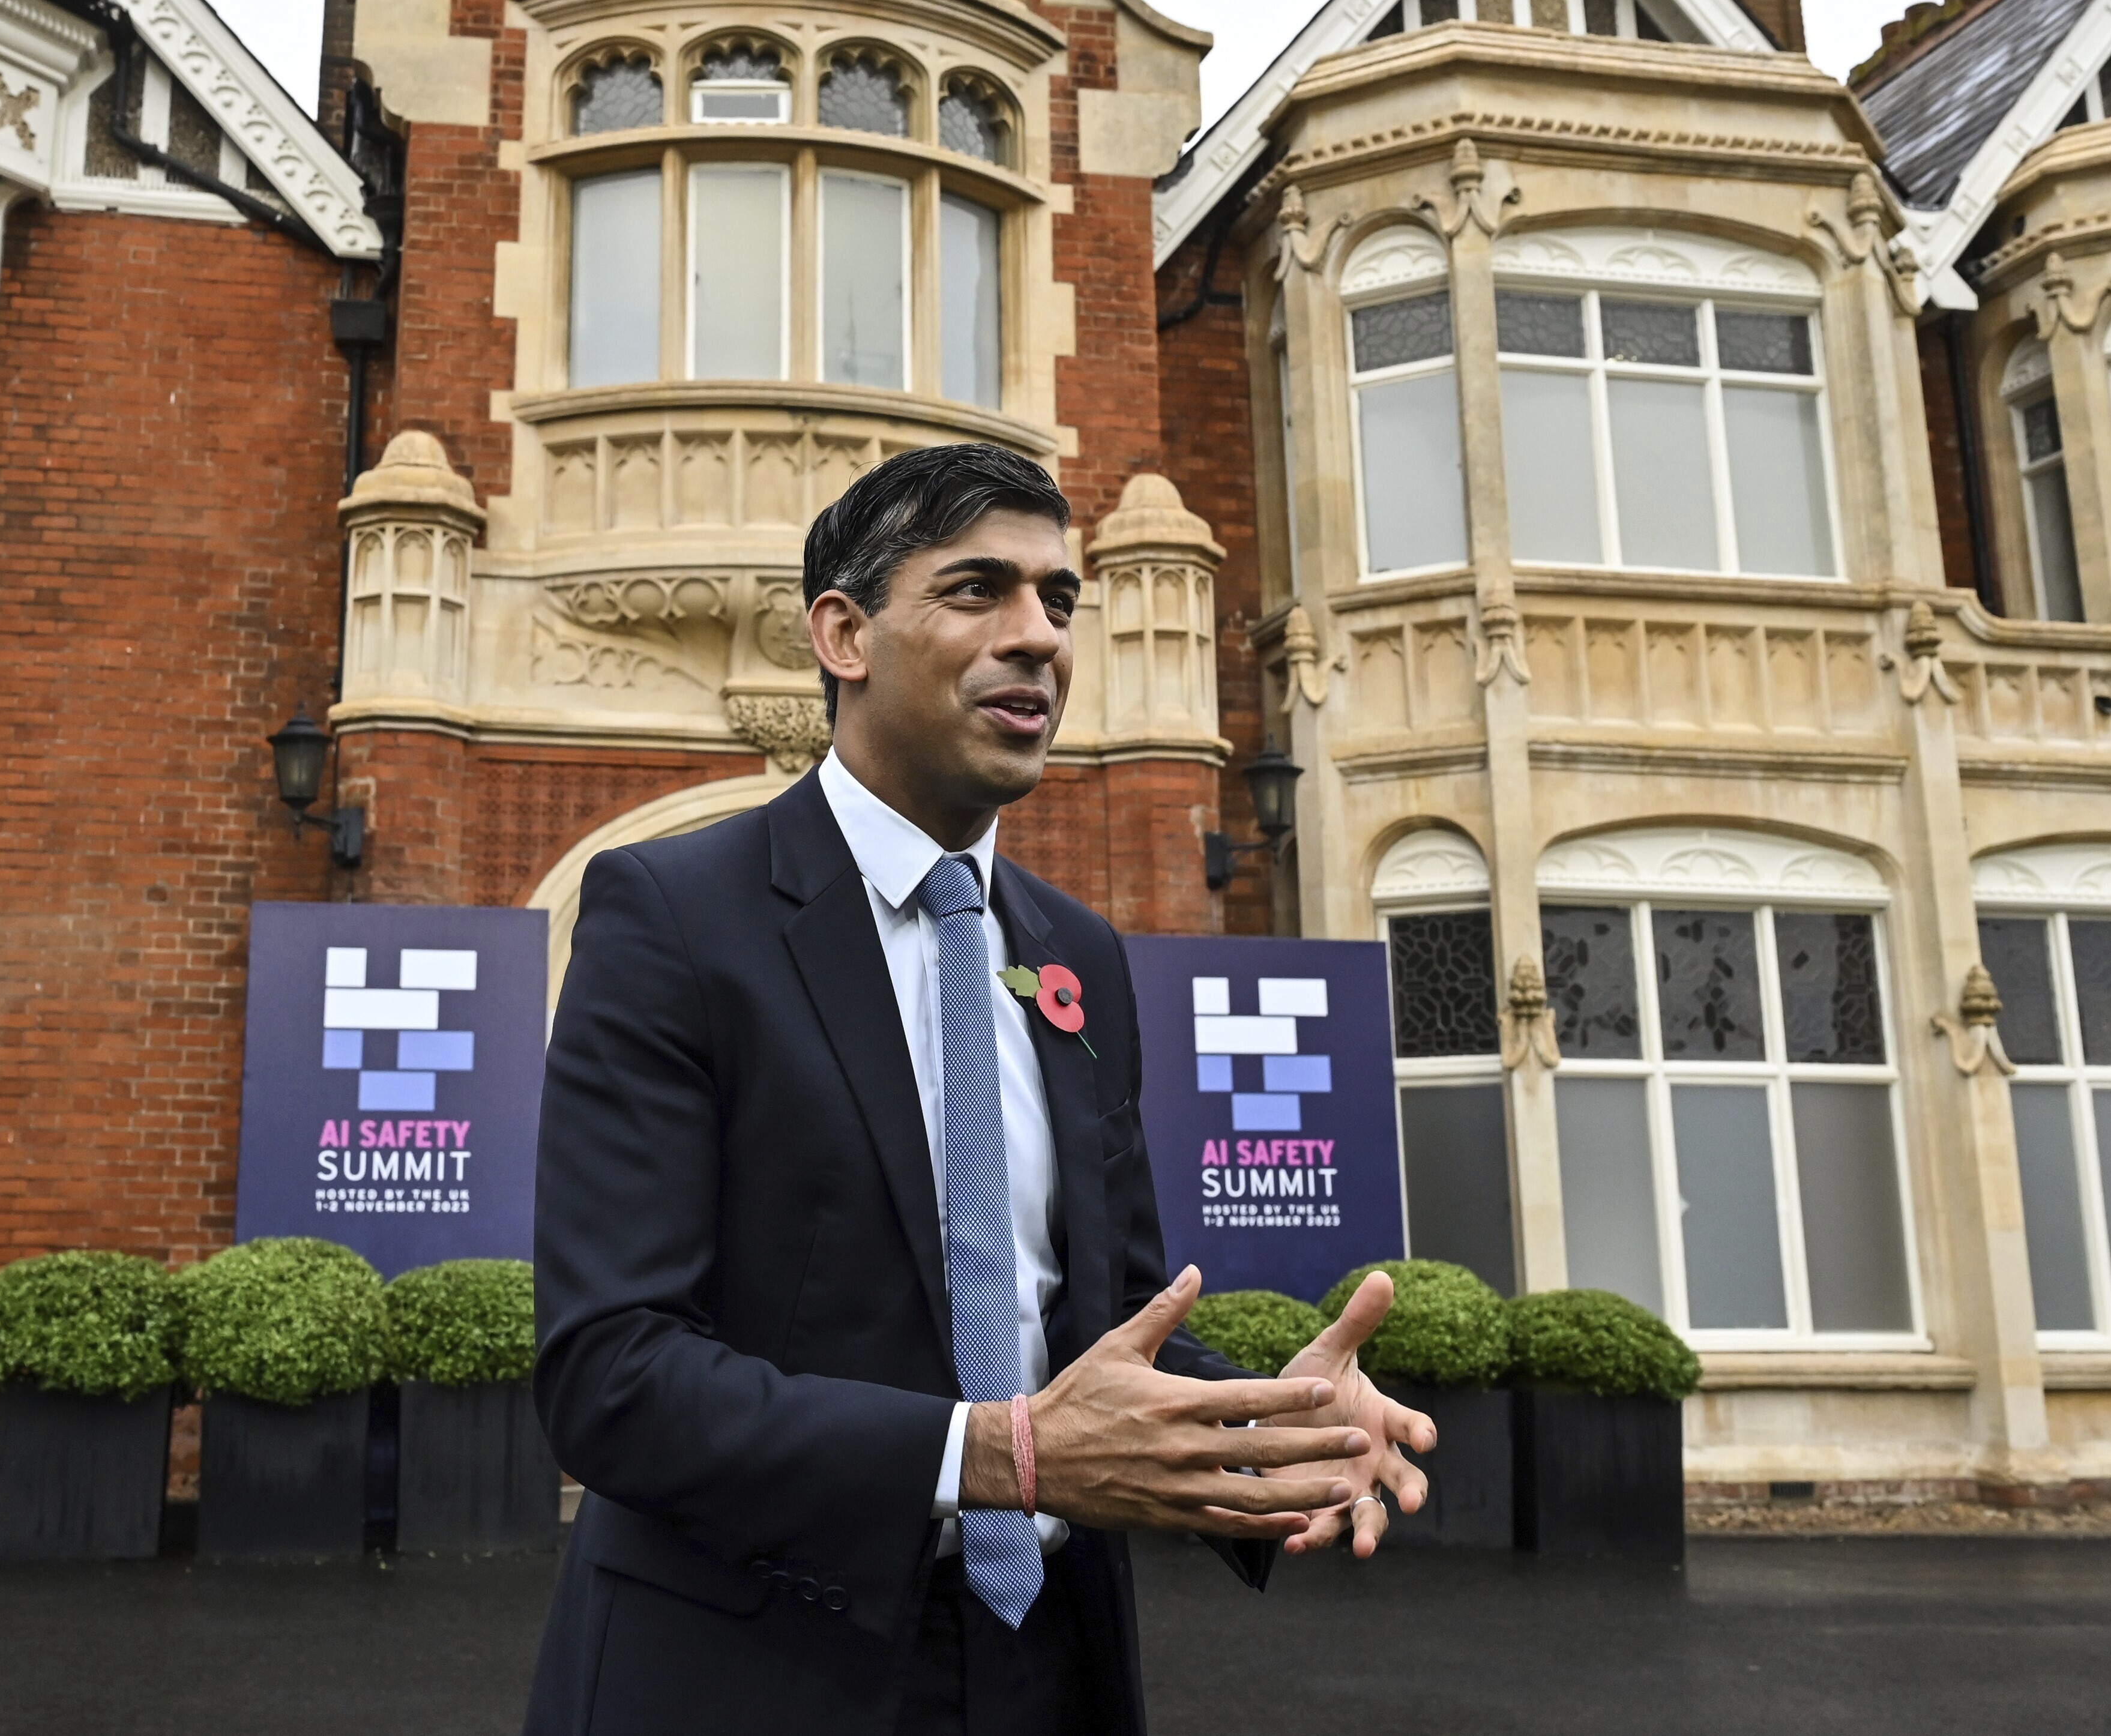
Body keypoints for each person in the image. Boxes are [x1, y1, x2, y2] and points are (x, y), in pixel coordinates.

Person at [528, 442, 1433, 1736]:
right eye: (976, 591)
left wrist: (1264, 1426)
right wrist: (996, 1453)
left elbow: (1100, 1321)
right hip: (753, 1667)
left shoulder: (1079, 955)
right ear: (842, 632)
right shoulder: (673, 917)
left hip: (1046, 1662)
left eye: (1058, 602)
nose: (1037, 639)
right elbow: (612, 1374)